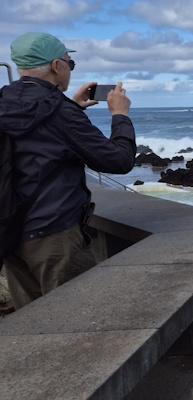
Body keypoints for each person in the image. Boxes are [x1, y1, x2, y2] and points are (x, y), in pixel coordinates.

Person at [0, 32, 136, 310]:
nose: (69, 69)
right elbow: (119, 161)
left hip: (10, 233)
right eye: (69, 63)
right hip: (54, 237)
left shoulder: (5, 102)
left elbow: (33, 142)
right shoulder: (60, 112)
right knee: (79, 321)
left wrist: (72, 107)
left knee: (35, 326)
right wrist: (120, 116)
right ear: (55, 66)